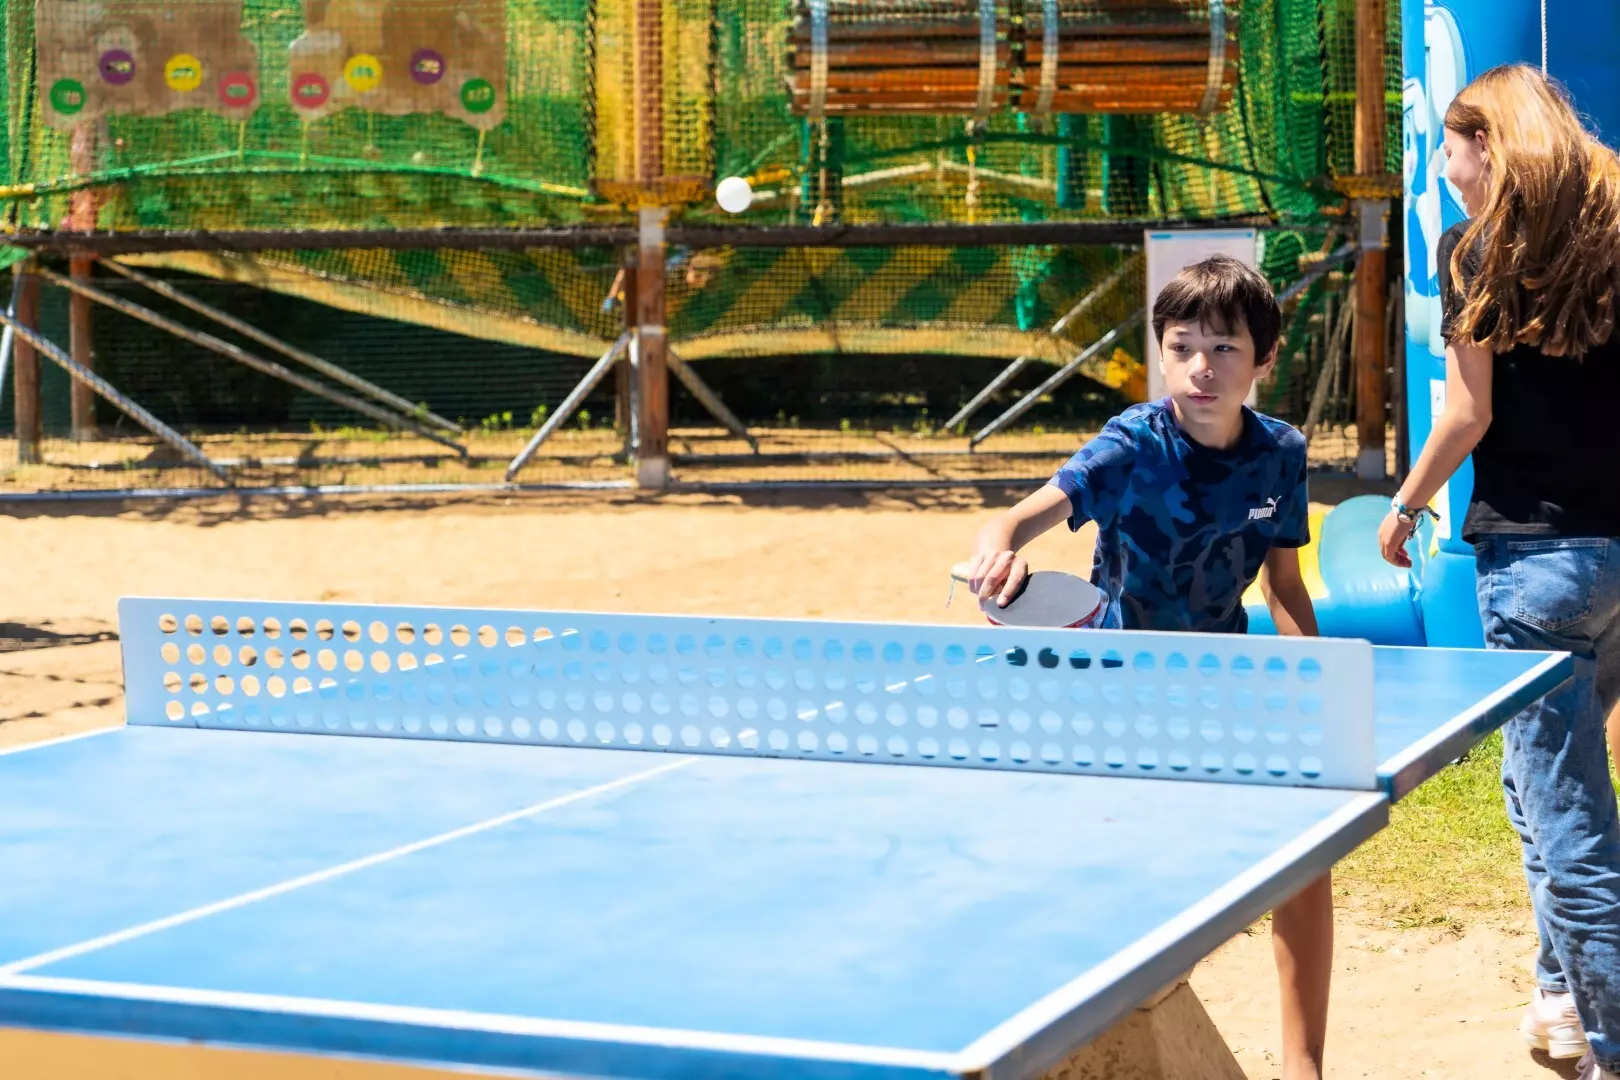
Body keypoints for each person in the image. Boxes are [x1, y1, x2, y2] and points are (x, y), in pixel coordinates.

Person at [963, 254, 1333, 1080]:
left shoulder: (1281, 453)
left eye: (1225, 348)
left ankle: (1303, 1068)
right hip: (1115, 693)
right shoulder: (1132, 444)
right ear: (1162, 353)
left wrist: (1317, 681)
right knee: (1114, 878)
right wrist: (997, 556)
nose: (1202, 367)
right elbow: (1015, 521)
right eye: (1183, 347)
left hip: (1220, 688)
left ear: (1265, 359)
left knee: (1306, 857)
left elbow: (1282, 585)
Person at [1377, 63, 1620, 1080]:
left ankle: (1611, 1046)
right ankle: (1561, 1000)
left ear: (1491, 143)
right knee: (1536, 786)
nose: (1444, 169)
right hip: (1614, 560)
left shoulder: (1472, 251)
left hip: (1536, 567)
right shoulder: (1613, 228)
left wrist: (1403, 504)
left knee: (1569, 821)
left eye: (1450, 148)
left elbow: (1467, 414)